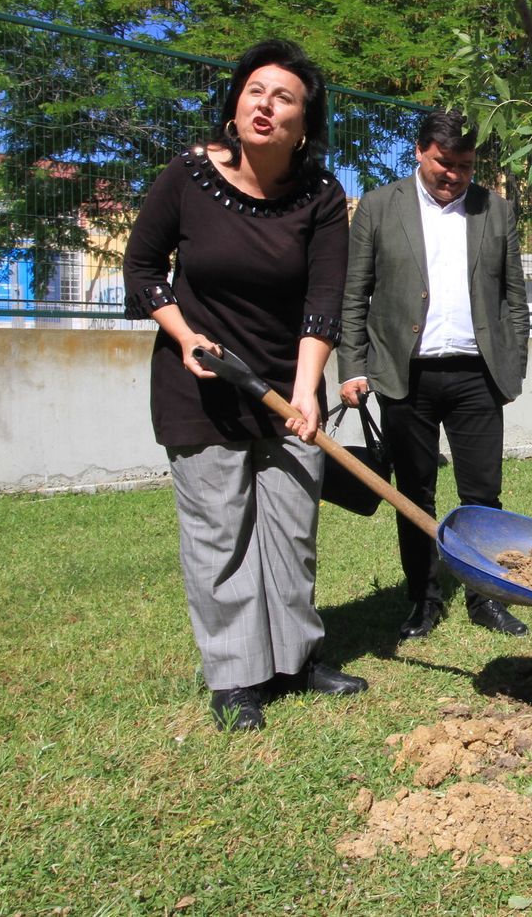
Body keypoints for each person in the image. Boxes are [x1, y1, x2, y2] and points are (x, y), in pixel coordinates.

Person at [123, 39, 367, 732]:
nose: (265, 104)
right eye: (255, 90)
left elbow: (324, 298)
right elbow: (143, 269)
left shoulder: (321, 195)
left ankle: (296, 659)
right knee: (221, 532)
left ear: (304, 125)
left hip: (286, 384)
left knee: (291, 529)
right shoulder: (187, 176)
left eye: (284, 97)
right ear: (235, 103)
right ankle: (235, 677)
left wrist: (307, 389)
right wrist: (184, 333)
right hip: (202, 380)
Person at [339, 110, 531, 642]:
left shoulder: (496, 211)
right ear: (420, 151)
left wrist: (511, 367)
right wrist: (352, 367)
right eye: (445, 163)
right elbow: (354, 296)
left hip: (477, 376)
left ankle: (484, 597)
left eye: (465, 167)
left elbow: (514, 299)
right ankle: (423, 601)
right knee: (412, 494)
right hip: (405, 378)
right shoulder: (379, 207)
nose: (454, 176)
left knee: (483, 495)